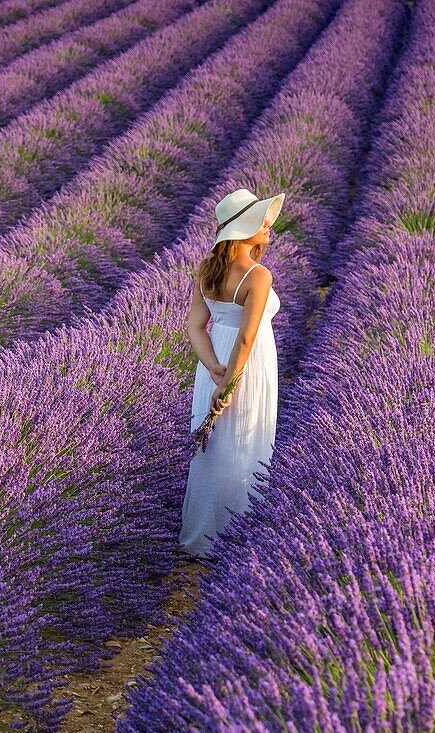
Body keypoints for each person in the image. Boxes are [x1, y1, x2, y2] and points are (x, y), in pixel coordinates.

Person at [178, 187, 284, 563]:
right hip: (246, 367)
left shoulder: (207, 269)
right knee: (243, 446)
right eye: (263, 222)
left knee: (213, 450)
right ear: (245, 229)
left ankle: (203, 535)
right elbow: (247, 337)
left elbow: (195, 327)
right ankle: (236, 539)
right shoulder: (258, 276)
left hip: (215, 363)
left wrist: (212, 369)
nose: (269, 227)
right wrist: (230, 384)